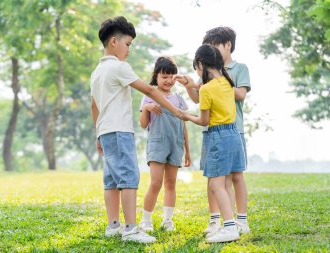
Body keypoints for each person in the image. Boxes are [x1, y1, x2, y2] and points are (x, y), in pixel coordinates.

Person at [90, 16, 183, 244]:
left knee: (111, 179)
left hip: (105, 130)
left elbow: (94, 105)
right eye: (128, 44)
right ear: (114, 42)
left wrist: (98, 134)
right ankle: (131, 229)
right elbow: (150, 91)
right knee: (129, 177)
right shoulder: (119, 67)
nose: (129, 49)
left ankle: (114, 226)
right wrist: (177, 112)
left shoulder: (96, 73)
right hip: (120, 131)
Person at [178, 27, 251, 236]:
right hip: (230, 132)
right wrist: (192, 86)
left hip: (222, 134)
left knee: (223, 181)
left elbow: (204, 118)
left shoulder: (220, 81)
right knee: (219, 182)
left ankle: (233, 225)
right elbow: (201, 98)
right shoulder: (223, 81)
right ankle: (224, 223)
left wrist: (186, 116)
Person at [139, 56, 190, 233]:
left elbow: (183, 126)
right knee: (155, 183)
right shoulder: (149, 95)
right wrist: (147, 109)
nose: (168, 80)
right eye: (164, 76)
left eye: (172, 76)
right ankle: (146, 220)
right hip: (157, 143)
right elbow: (143, 124)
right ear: (156, 76)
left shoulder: (178, 99)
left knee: (171, 184)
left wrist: (188, 151)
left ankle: (167, 220)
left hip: (176, 145)